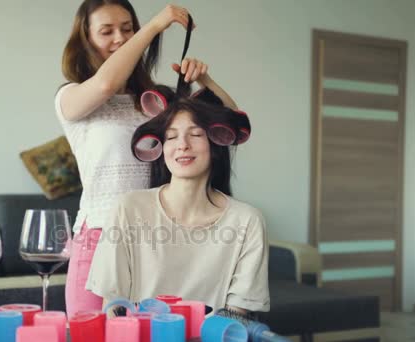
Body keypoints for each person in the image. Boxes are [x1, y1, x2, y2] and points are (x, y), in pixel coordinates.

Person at [56, 0, 239, 317]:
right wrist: (155, 26)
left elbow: (233, 124)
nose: (120, 38)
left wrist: (205, 81)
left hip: (157, 239)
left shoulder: (159, 100)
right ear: (85, 39)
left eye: (128, 29)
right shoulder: (71, 96)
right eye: (107, 31)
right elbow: (106, 83)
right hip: (100, 237)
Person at [85, 95, 270, 317]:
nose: (182, 145)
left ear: (216, 145)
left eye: (195, 134)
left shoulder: (247, 221)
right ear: (162, 150)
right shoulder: (130, 208)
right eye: (171, 137)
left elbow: (235, 319)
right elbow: (113, 304)